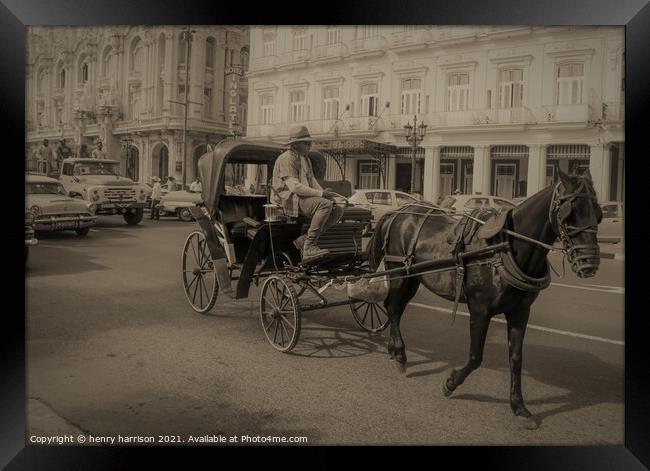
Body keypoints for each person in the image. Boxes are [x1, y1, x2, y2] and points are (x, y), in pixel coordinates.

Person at [270, 125, 342, 263]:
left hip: (302, 198)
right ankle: (309, 247)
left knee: (337, 209)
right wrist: (321, 194)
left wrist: (326, 194)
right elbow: (294, 187)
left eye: (310, 142)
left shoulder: (305, 159)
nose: (310, 145)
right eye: (306, 142)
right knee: (325, 205)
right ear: (295, 145)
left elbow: (312, 180)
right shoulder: (286, 158)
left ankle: (304, 240)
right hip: (288, 199)